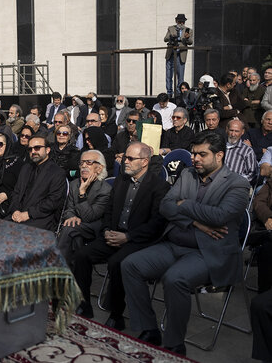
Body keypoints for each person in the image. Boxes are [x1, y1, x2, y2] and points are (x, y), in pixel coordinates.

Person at [122, 132, 250, 356]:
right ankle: (149, 328)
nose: (195, 158)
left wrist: (184, 204)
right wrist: (195, 222)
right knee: (130, 264)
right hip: (174, 244)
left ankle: (174, 343)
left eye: (202, 154)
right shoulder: (188, 174)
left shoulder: (238, 184)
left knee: (175, 279)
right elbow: (165, 206)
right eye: (193, 153)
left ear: (219, 155)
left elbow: (220, 216)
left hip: (208, 252)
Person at [73, 143, 169, 328]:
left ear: (145, 162)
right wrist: (107, 230)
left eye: (131, 159)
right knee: (81, 255)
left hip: (138, 240)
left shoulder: (159, 186)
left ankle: (116, 314)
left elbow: (157, 223)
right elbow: (109, 211)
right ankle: (83, 304)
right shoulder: (121, 180)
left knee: (117, 262)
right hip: (112, 235)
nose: (125, 161)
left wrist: (128, 237)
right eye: (125, 157)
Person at [57, 149, 112, 263]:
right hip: (76, 226)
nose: (83, 166)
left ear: (100, 168)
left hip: (94, 226)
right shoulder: (74, 184)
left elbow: (90, 217)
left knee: (69, 229)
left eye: (89, 162)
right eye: (82, 163)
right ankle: (74, 269)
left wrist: (82, 192)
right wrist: (71, 217)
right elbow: (69, 208)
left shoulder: (105, 189)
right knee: (74, 234)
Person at [7, 135, 68, 231]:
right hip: (18, 214)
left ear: (47, 150)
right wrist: (15, 210)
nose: (33, 152)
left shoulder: (57, 172)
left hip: (40, 218)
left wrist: (28, 214)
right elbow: (16, 192)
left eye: (37, 148)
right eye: (30, 149)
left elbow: (52, 202)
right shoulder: (26, 168)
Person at [164, 13, 192, 97]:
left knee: (180, 75)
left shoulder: (188, 30)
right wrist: (171, 37)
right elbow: (165, 39)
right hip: (171, 54)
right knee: (169, 75)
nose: (181, 23)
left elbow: (190, 42)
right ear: (176, 21)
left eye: (183, 22)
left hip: (181, 55)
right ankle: (169, 92)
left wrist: (186, 38)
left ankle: (179, 92)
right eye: (179, 21)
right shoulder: (171, 28)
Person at [224, 119, 258, 185]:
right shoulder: (219, 146)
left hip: (236, 186)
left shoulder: (247, 151)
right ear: (226, 130)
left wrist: (238, 181)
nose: (233, 134)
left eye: (236, 131)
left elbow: (252, 173)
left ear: (242, 132)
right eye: (231, 130)